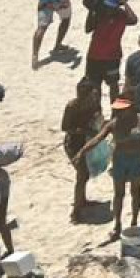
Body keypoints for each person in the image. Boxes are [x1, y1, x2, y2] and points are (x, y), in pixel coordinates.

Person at [80, 97, 140, 240]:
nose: (118, 113)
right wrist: (83, 151)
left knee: (135, 192)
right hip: (120, 160)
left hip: (137, 160)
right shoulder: (113, 124)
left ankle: (134, 221)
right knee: (118, 194)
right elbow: (98, 138)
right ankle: (118, 225)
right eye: (116, 110)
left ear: (130, 108)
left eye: (121, 110)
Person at [62, 77, 105, 222]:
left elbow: (99, 117)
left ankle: (82, 201)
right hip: (73, 144)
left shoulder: (94, 103)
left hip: (88, 141)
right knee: (81, 175)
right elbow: (65, 128)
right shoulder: (72, 106)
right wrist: (85, 130)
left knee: (85, 175)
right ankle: (76, 212)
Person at [85, 0, 138, 95]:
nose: (109, 9)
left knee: (113, 85)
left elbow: (134, 20)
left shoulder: (122, 15)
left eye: (111, 7)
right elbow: (87, 29)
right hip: (95, 57)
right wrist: (92, 10)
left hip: (112, 57)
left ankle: (115, 111)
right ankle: (97, 109)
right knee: (95, 86)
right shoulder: (99, 15)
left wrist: (125, 3)